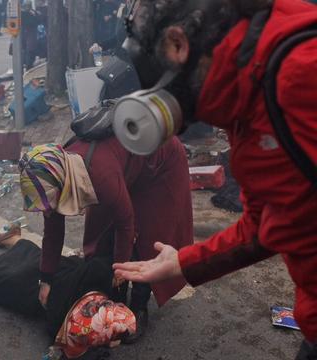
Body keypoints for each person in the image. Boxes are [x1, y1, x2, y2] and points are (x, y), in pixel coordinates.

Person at [110, 0, 317, 358]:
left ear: (178, 44)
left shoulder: (300, 73)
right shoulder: (247, 88)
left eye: (157, 78)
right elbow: (266, 222)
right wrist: (185, 262)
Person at [19, 140, 193, 342]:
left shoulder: (99, 175)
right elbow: (53, 228)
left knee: (148, 236)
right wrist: (46, 279)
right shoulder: (58, 171)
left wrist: (120, 270)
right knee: (101, 229)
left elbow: (126, 223)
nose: (49, 207)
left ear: (63, 182)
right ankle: (116, 286)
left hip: (160, 163)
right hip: (125, 165)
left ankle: (139, 305)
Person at [0, 233, 136, 359]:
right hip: (31, 285)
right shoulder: (61, 318)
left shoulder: (104, 278)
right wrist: (104, 338)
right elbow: (63, 340)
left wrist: (109, 333)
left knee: (36, 257)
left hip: (52, 269)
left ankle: (14, 239)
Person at [20, 1, 41, 70]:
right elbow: (35, 21)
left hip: (27, 35)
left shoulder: (30, 13)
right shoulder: (27, 14)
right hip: (29, 35)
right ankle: (28, 66)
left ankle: (27, 65)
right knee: (29, 50)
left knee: (28, 50)